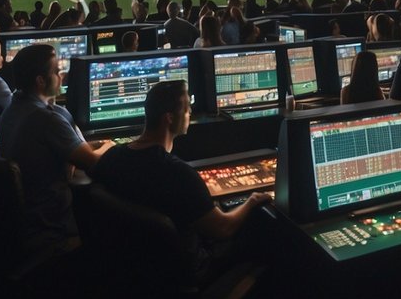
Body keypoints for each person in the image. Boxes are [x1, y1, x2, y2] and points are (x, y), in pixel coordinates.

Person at [91, 80, 271, 287]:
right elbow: (223, 228)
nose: (190, 112)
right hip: (189, 272)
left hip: (132, 270)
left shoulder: (112, 157)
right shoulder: (178, 173)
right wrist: (252, 201)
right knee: (263, 233)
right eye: (187, 108)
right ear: (169, 118)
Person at [0, 44, 113, 251]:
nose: (62, 76)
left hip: (21, 220)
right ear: (41, 81)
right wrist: (109, 145)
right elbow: (94, 163)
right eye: (56, 71)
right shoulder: (47, 119)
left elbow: (68, 147)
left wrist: (91, 145)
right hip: (52, 226)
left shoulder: (12, 109)